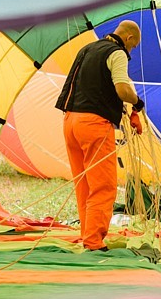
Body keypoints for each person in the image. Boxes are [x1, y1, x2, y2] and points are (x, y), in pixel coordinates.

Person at [55, 20, 144, 251]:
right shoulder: (118, 53)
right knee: (103, 186)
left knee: (83, 184)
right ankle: (94, 241)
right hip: (94, 125)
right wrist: (137, 103)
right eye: (133, 47)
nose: (131, 50)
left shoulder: (87, 49)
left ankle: (87, 234)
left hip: (70, 122)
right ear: (130, 39)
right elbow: (122, 89)